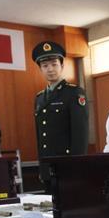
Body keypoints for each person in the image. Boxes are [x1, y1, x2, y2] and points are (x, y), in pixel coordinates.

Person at [31, 41, 89, 190]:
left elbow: (80, 134)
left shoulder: (74, 93)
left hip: (67, 166)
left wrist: (76, 167)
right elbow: (40, 137)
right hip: (48, 168)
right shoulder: (39, 98)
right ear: (40, 69)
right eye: (45, 66)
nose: (50, 69)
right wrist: (42, 169)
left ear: (62, 66)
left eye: (54, 64)